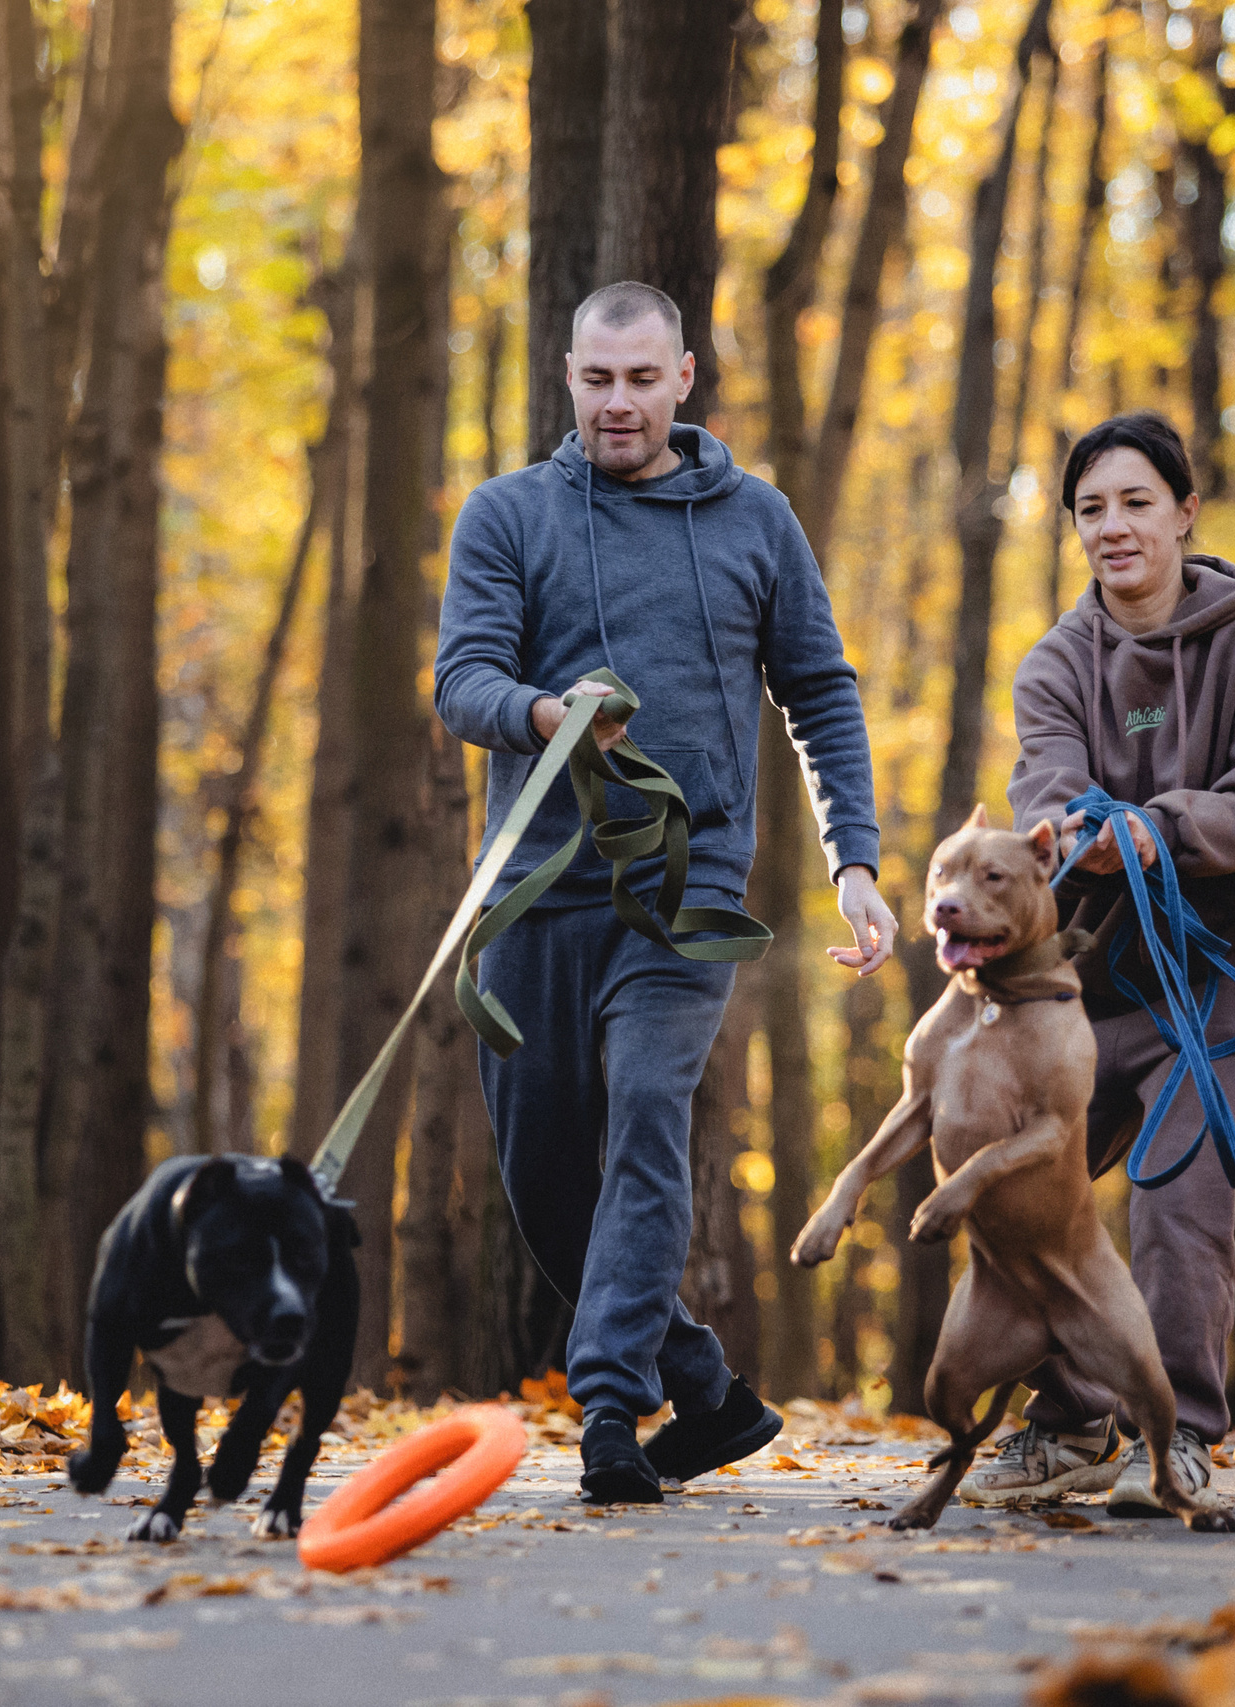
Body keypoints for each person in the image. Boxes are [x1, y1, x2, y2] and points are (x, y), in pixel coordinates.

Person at [434, 281, 896, 1503]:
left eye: (642, 380)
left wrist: (854, 856)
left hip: (683, 894)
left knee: (645, 1106)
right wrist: (543, 712)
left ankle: (603, 1410)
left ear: (684, 377)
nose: (619, 404)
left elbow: (820, 690)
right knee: (542, 1183)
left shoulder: (756, 521)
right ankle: (710, 1389)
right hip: (534, 895)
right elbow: (462, 681)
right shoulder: (508, 516)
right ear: (568, 377)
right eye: (598, 380)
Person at [968, 410, 1235, 1516]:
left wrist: (1156, 826)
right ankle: (1075, 1417)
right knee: (1025, 1176)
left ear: (1184, 511)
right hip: (1108, 972)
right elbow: (1048, 798)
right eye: (1090, 509)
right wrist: (1082, 833)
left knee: (1176, 1180)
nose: (1114, 527)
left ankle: (1176, 1435)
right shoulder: (1055, 666)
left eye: (1135, 503)